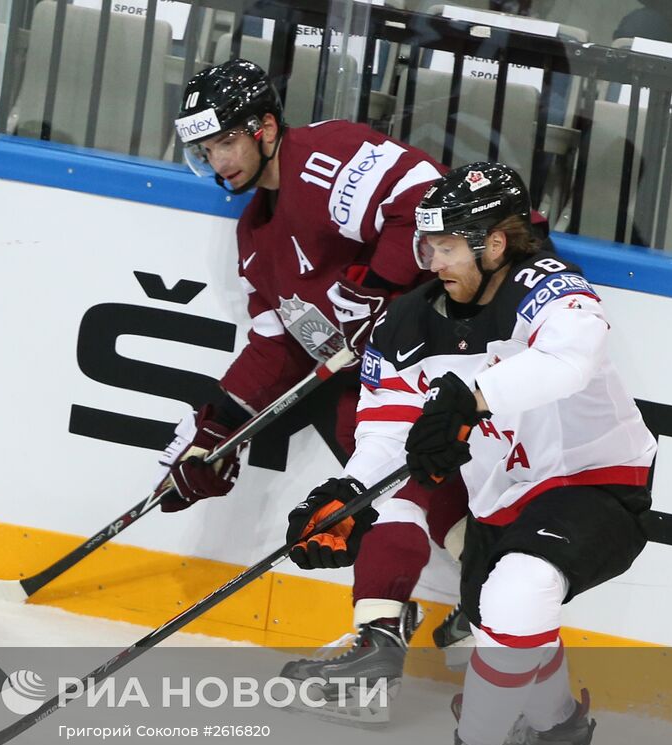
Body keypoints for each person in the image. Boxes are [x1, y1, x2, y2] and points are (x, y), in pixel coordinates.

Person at [284, 162, 655, 745]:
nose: (434, 260)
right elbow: (386, 434)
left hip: (596, 479)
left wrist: (476, 396)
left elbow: (570, 360)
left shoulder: (547, 286)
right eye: (429, 245)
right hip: (502, 501)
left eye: (451, 245)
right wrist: (349, 496)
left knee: (518, 594)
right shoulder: (405, 325)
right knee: (508, 614)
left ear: (495, 244)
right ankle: (558, 727)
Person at [168, 59, 467, 712]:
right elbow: (276, 340)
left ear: (266, 126)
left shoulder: (322, 156)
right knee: (379, 465)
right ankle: (400, 633)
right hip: (383, 375)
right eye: (206, 148)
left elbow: (424, 194)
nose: (218, 160)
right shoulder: (254, 234)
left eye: (225, 141)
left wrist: (376, 286)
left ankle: (461, 625)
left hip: (450, 345)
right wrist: (216, 430)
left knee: (398, 473)